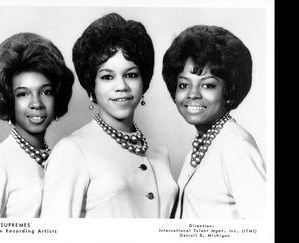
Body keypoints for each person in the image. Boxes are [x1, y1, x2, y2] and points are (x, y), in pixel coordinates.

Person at [40, 13, 178, 218]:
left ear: (144, 81)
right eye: (107, 77)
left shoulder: (160, 153)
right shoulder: (72, 151)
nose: (121, 86)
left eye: (131, 75)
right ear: (91, 85)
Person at [162, 25, 266, 219]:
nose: (193, 94)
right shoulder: (204, 144)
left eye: (208, 85)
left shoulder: (236, 147)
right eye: (184, 84)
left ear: (229, 91)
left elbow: (264, 229)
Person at [0, 32, 74, 217]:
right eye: (23, 94)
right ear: (8, 99)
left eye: (46, 92)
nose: (36, 103)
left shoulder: (59, 158)